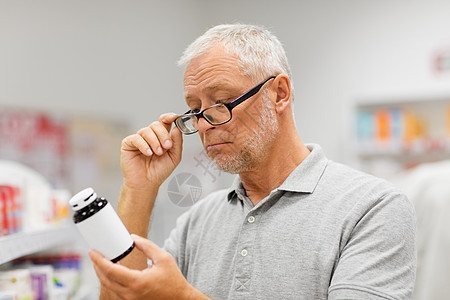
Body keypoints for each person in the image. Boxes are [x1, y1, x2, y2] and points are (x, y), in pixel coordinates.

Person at [89, 24, 416, 299]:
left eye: (222, 101)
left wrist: (183, 297)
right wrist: (139, 189)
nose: (203, 124)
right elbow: (122, 294)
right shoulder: (198, 221)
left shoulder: (373, 208)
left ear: (279, 94)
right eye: (195, 108)